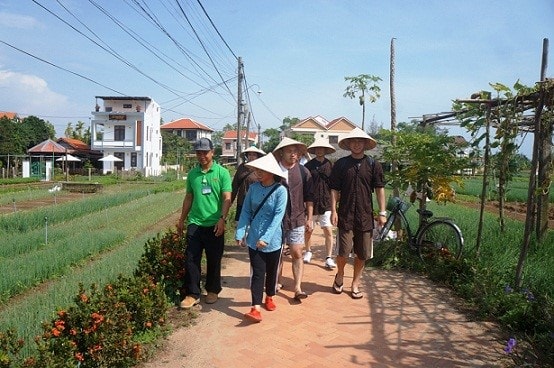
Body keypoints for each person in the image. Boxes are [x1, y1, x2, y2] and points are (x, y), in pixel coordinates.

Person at [329, 128, 386, 300]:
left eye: (360, 141)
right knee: (343, 252)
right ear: (348, 144)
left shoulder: (373, 165)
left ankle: (355, 283)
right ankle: (340, 275)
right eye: (353, 141)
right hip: (345, 214)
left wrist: (382, 212)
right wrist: (333, 210)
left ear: (365, 144)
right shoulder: (341, 164)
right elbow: (334, 189)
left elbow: (379, 189)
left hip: (365, 215)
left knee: (362, 253)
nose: (356, 144)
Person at [176, 137, 232, 309]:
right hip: (195, 222)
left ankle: (213, 290)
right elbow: (189, 197)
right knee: (191, 258)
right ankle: (193, 293)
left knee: (214, 258)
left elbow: (227, 198)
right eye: (199, 153)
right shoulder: (193, 174)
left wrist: (222, 219)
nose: (202, 156)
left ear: (212, 153)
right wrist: (181, 220)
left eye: (205, 152)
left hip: (215, 223)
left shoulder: (222, 173)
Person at [235, 153, 288, 323]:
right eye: (256, 169)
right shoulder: (253, 189)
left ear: (271, 172)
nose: (257, 172)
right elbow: (246, 211)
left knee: (272, 271)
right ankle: (255, 308)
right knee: (258, 273)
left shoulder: (281, 191)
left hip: (273, 239)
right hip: (254, 239)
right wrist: (240, 232)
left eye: (261, 169)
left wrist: (266, 237)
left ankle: (270, 296)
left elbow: (278, 217)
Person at [273, 137, 313, 301]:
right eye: (289, 151)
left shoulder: (304, 172)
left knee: (297, 252)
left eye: (296, 151)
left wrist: (309, 218)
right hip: (276, 220)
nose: (293, 154)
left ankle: (297, 287)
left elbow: (309, 197)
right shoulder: (273, 171)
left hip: (297, 218)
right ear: (281, 152)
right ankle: (276, 281)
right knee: (277, 253)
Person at [303, 138, 337, 269]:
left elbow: (334, 186)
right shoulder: (308, 166)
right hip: (311, 202)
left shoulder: (330, 166)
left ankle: (328, 257)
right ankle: (308, 251)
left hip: (326, 202)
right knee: (308, 230)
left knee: (328, 230)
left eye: (322, 148)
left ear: (325, 150)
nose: (319, 150)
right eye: (317, 148)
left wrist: (335, 206)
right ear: (314, 150)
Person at [231, 146, 266, 223]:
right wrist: (229, 202)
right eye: (250, 154)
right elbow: (235, 186)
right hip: (242, 202)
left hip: (256, 203)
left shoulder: (262, 169)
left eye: (254, 155)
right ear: (247, 156)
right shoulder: (241, 167)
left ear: (258, 156)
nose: (251, 157)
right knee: (240, 228)